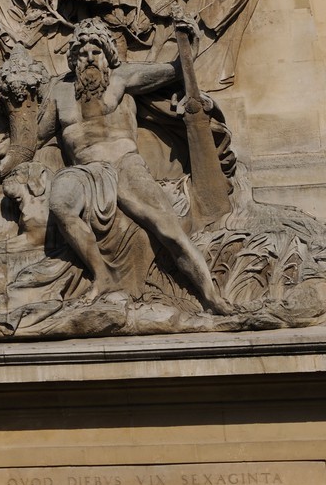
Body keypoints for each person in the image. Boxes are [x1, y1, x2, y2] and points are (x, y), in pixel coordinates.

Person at [32, 18, 232, 312]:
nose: (90, 58)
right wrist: (4, 155)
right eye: (83, 52)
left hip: (125, 164)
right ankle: (102, 277)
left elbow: (175, 71)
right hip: (85, 170)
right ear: (73, 58)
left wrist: (193, 43)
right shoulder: (60, 92)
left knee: (168, 228)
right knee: (61, 204)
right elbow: (35, 138)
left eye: (96, 51)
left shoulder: (122, 78)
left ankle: (211, 296)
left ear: (107, 55)